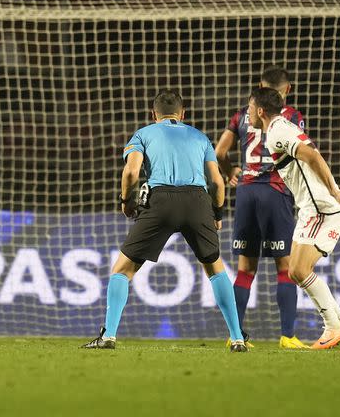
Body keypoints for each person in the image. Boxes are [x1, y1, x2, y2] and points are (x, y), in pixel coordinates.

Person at [82, 90, 246, 352]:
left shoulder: (143, 134)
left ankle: (109, 335)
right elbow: (217, 182)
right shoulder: (199, 137)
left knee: (122, 270)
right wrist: (216, 214)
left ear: (152, 113)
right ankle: (237, 338)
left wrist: (127, 203)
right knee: (216, 269)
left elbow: (131, 172)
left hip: (160, 201)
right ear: (183, 114)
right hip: (197, 201)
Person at [249, 87, 340, 349]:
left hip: (321, 208)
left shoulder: (277, 131)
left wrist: (335, 191)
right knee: (295, 270)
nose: (248, 111)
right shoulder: (280, 126)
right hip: (310, 208)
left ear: (261, 111)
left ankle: (332, 327)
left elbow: (312, 155)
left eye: (250, 107)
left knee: (299, 270)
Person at [214, 66, 307, 349]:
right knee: (286, 267)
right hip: (275, 191)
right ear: (287, 90)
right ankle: (288, 337)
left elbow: (219, 152)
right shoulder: (291, 116)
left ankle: (236, 336)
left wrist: (230, 172)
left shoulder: (241, 115)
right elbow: (300, 153)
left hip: (245, 193)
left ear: (259, 86)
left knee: (245, 269)